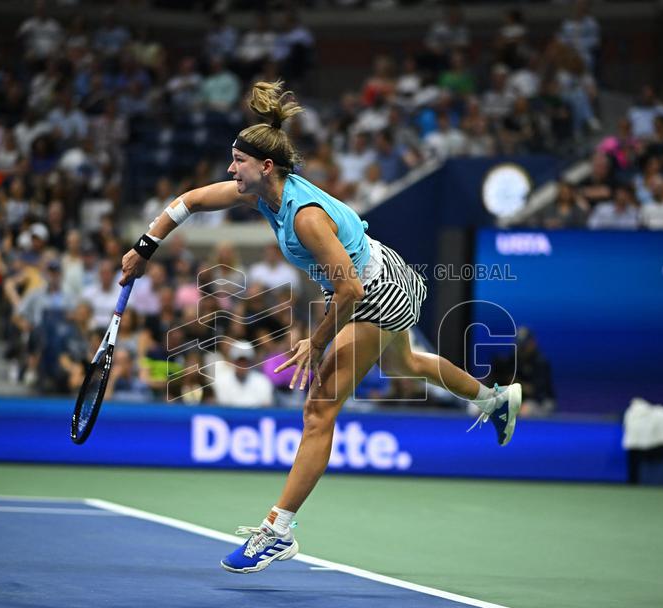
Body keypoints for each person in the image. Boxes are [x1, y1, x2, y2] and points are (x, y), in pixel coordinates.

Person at [119, 81, 522, 575]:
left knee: (318, 410)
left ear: (265, 166)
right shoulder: (262, 195)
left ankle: (277, 530)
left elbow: (350, 291)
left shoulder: (305, 216)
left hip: (376, 291)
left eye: (237, 162)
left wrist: (316, 339)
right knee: (406, 363)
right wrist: (144, 246)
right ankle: (493, 398)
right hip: (375, 276)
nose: (230, 170)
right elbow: (192, 201)